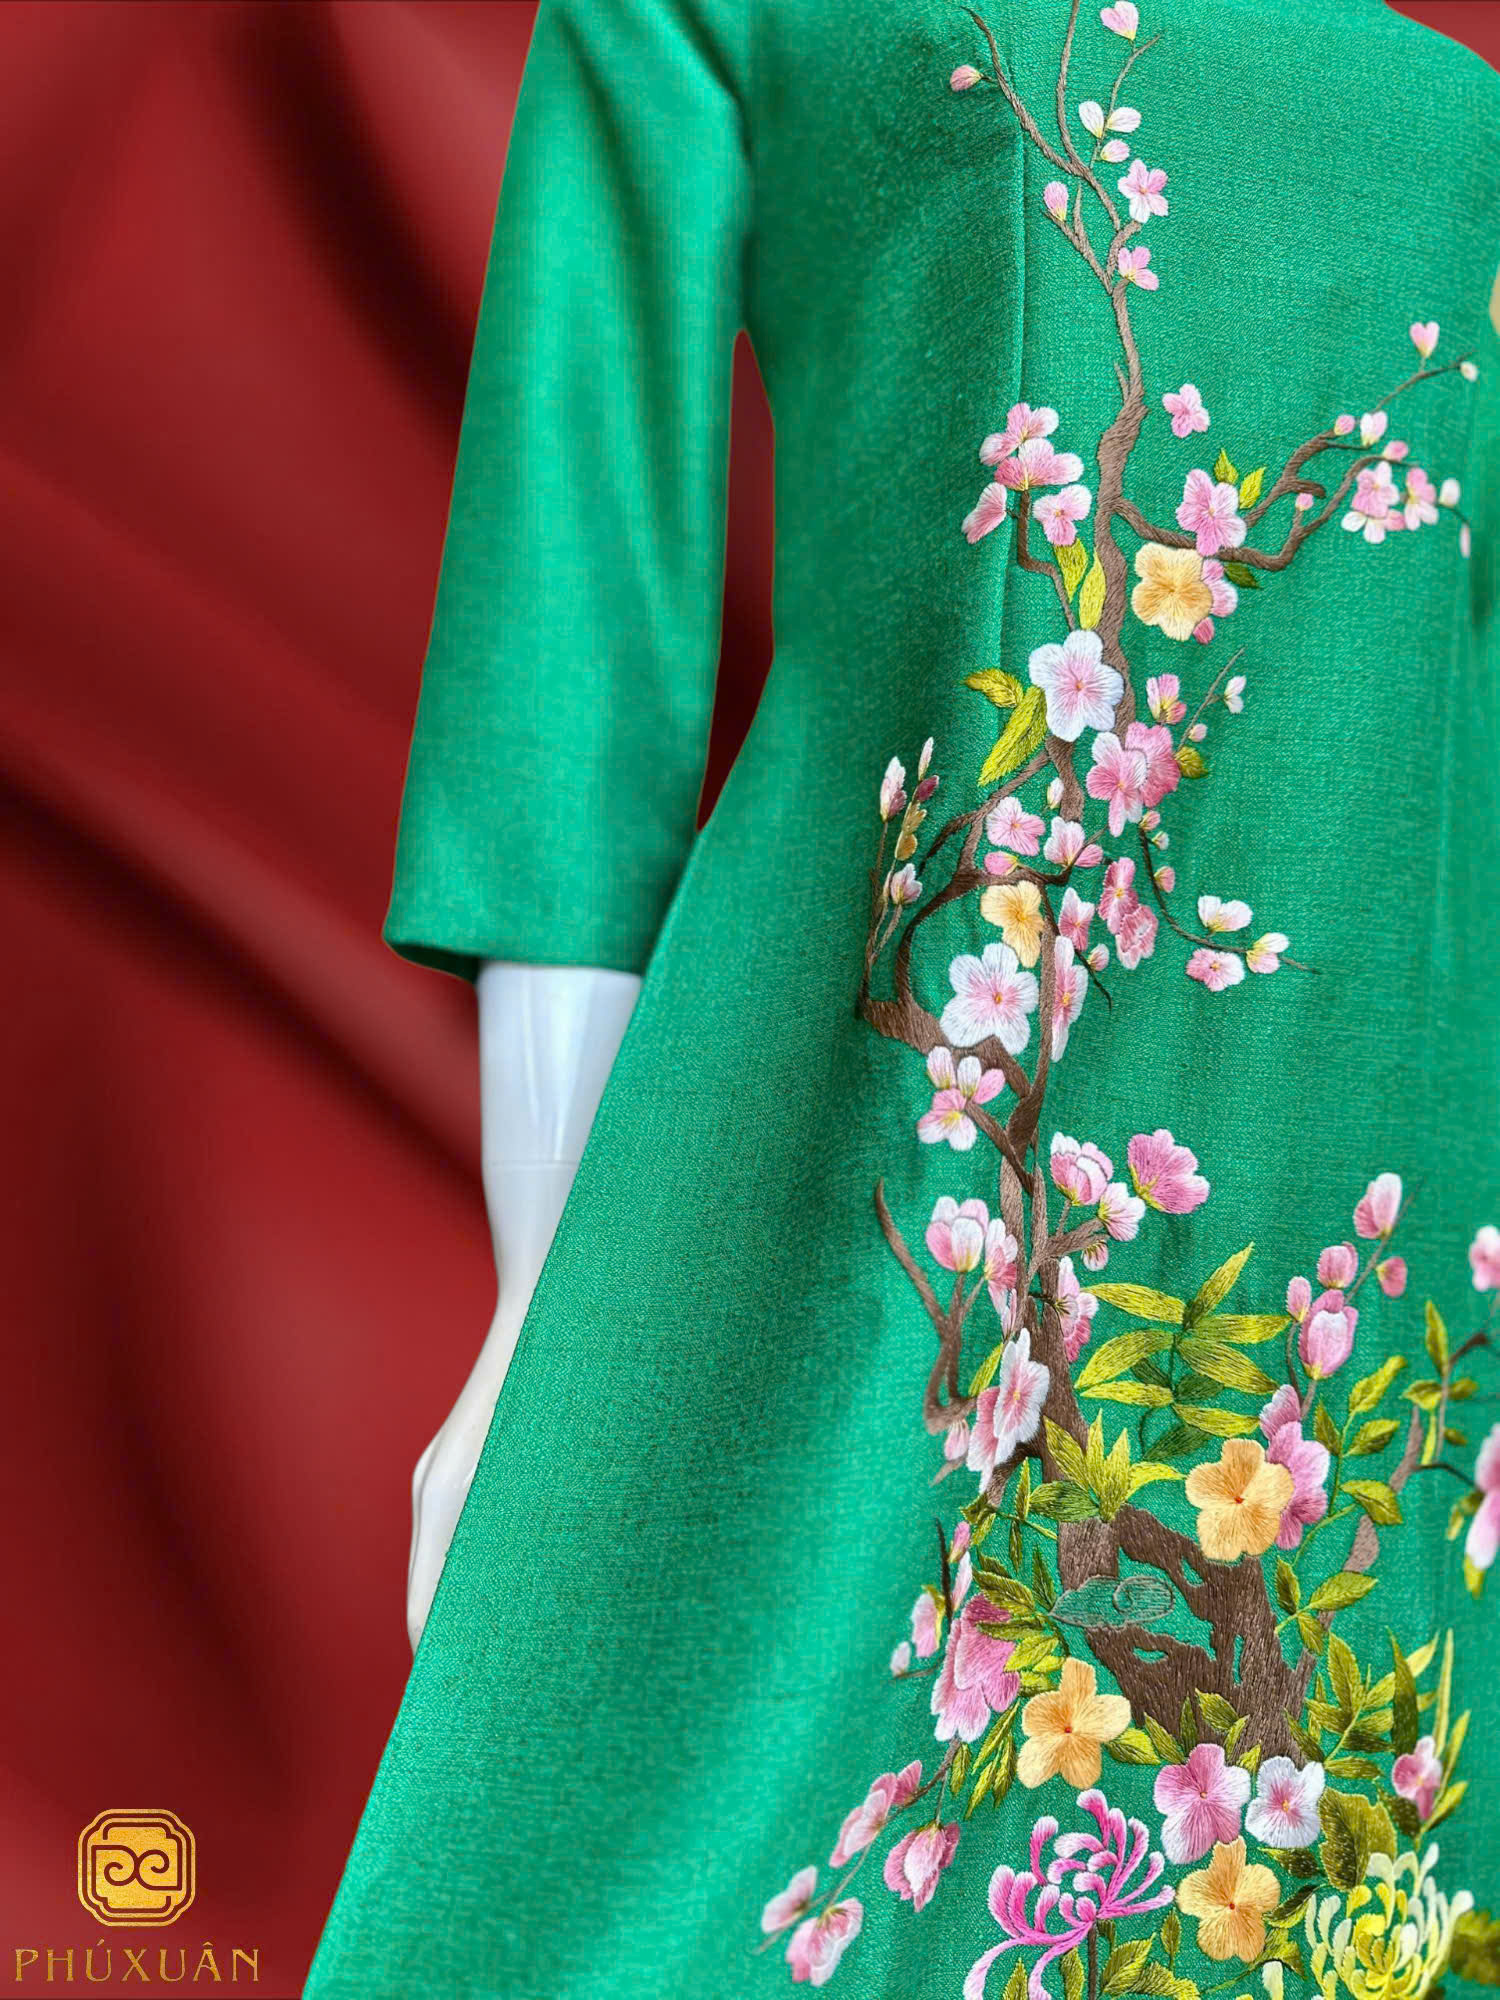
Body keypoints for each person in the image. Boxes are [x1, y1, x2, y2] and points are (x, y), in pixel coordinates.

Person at [305, 0, 1500, 1994]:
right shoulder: (705, 18)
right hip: (926, 1192)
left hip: (1408, 1255)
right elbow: (574, 654)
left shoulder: (1463, 85)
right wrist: (537, 1318)